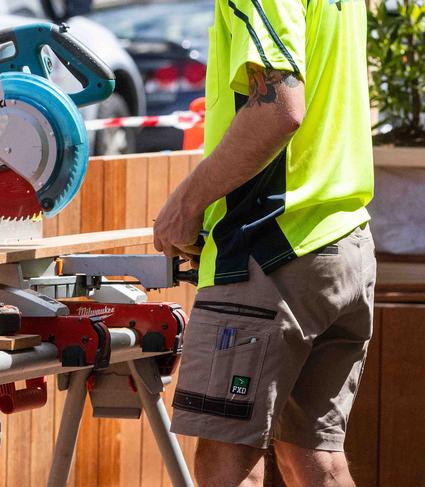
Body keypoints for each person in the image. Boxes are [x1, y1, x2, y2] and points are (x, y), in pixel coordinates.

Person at [153, 0, 376, 484]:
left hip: (270, 252)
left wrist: (187, 205)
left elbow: (279, 108)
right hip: (343, 243)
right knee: (315, 456)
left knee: (228, 458)